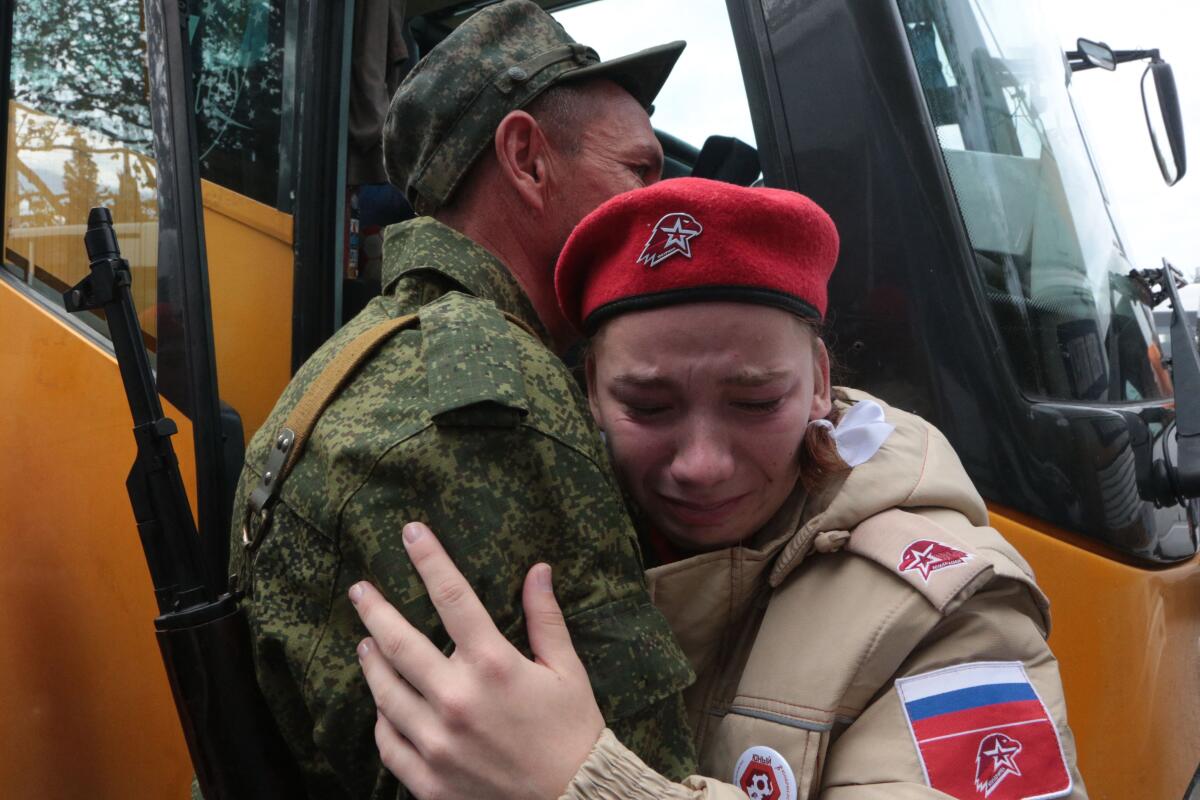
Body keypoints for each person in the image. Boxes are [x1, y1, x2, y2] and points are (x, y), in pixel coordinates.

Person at [350, 177, 1089, 799]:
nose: (702, 464)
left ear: (820, 385)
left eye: (755, 402)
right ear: (588, 395)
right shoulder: (532, 531)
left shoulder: (948, 614)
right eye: (648, 406)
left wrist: (581, 783)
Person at [226, 2, 698, 797]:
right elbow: (643, 763)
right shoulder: (494, 406)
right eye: (639, 172)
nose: (662, 206)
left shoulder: (374, 343)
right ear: (527, 159)